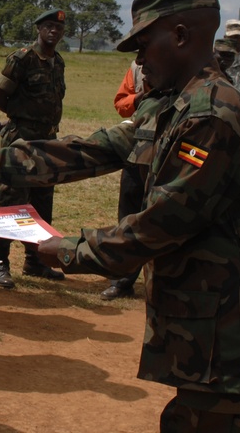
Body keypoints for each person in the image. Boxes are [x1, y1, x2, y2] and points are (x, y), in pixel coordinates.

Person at [0, 0, 240, 432]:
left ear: (181, 36)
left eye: (144, 45)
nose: (138, 60)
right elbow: (92, 149)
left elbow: (161, 224)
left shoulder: (211, 116)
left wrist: (66, 250)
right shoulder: (175, 106)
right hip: (219, 320)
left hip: (239, 329)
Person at [0, 8, 67, 288]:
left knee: (41, 203)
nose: (53, 32)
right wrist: (21, 118)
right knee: (11, 203)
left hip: (47, 143)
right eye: (48, 26)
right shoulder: (22, 58)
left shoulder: (57, 62)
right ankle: (1, 262)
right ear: (38, 29)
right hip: (20, 140)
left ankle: (35, 261)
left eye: (58, 28)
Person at [100, 60, 146, 301]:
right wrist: (139, 98)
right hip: (138, 149)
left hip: (174, 152)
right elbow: (121, 103)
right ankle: (123, 280)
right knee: (128, 216)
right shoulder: (137, 66)